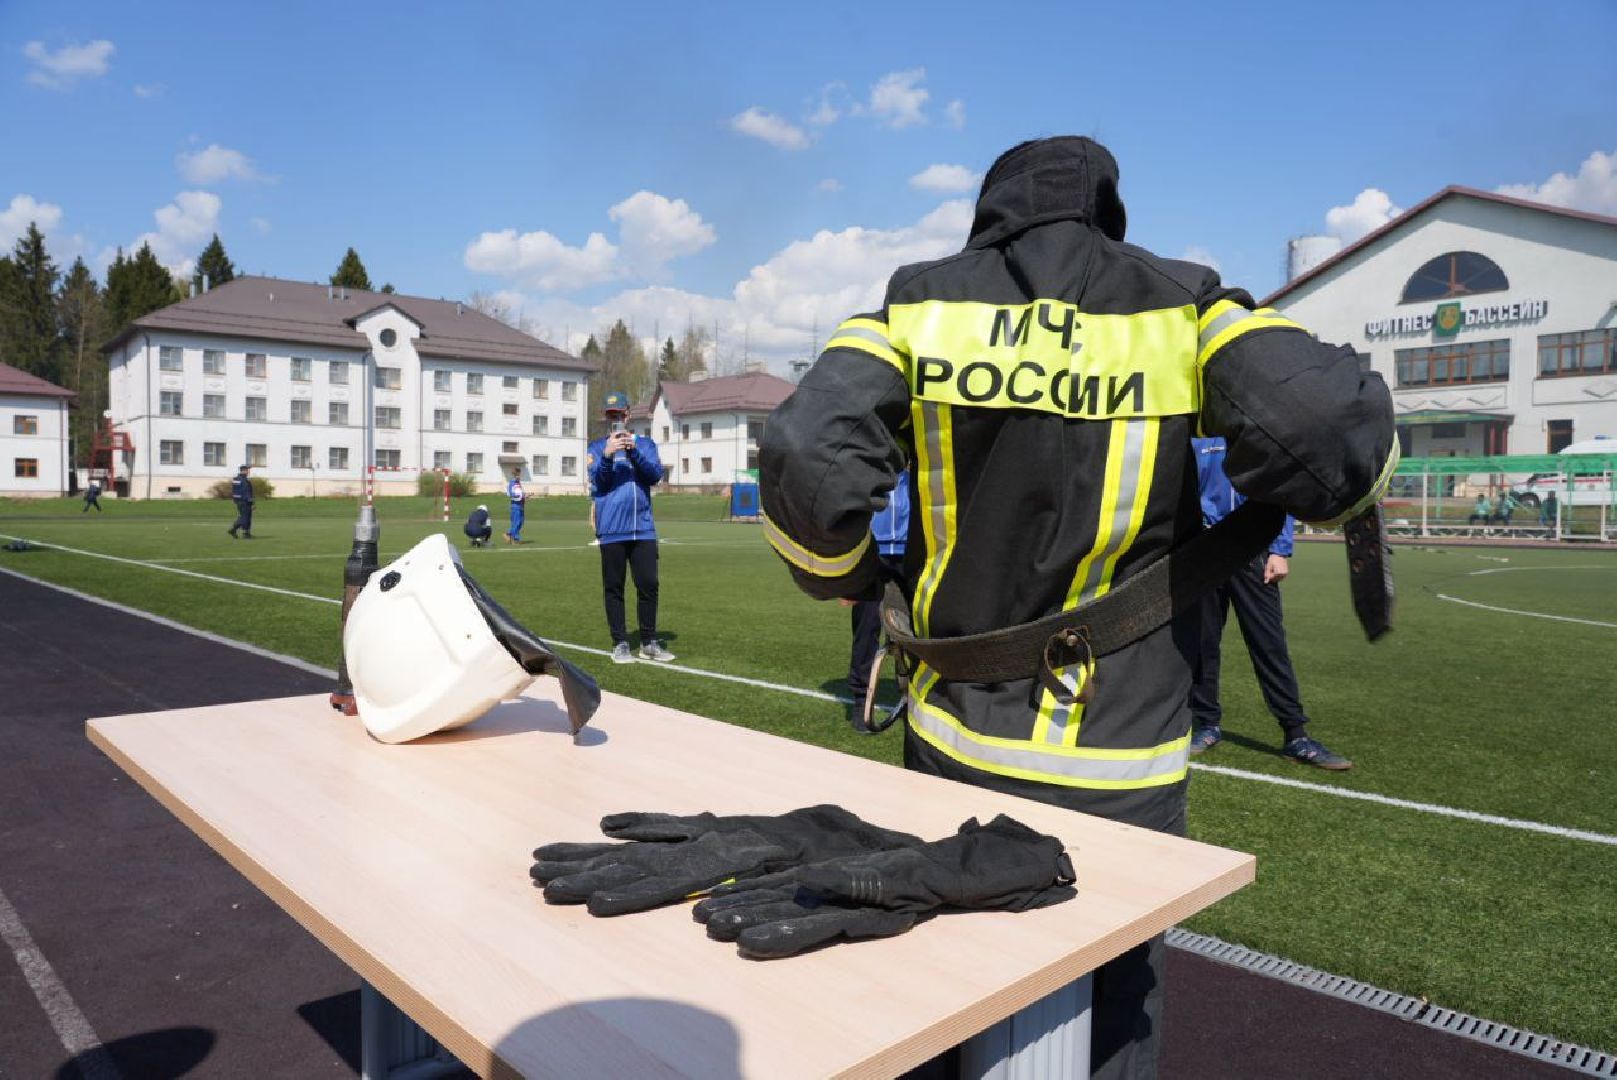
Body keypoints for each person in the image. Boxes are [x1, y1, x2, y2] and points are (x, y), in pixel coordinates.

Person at [759, 136, 1396, 1079]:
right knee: (1110, 1008)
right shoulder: (1185, 303)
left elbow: (806, 454)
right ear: (1105, 207)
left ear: (989, 210)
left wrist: (848, 574)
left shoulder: (918, 303)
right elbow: (1330, 432)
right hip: (1122, 750)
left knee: (935, 989)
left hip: (952, 735)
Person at [1188, 437, 1352, 769]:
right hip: (1206, 550)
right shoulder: (1197, 435)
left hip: (1254, 548)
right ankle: (1206, 725)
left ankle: (1295, 735)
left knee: (1269, 644)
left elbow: (1282, 491)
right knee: (1203, 644)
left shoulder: (1259, 430)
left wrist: (1279, 549)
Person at [588, 390, 674, 663]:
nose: (616, 420)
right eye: (611, 416)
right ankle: (620, 643)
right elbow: (599, 483)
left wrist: (633, 450)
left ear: (628, 415)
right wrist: (607, 455)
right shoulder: (596, 448)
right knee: (614, 587)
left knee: (649, 584)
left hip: (643, 528)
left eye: (620, 414)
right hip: (612, 529)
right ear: (606, 418)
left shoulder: (645, 444)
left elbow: (654, 476)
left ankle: (649, 642)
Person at [845, 469, 910, 726]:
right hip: (872, 549)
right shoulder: (869, 460)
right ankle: (862, 698)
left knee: (908, 628)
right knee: (867, 625)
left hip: (910, 549)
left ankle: (910, 694)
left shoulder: (918, 454)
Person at [228, 465, 254, 539]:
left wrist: (234, 500)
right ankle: (233, 529)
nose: (248, 471)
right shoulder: (243, 480)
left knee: (247, 517)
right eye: (247, 470)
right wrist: (251, 503)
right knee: (244, 518)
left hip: (241, 501)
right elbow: (247, 493)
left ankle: (246, 533)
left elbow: (234, 491)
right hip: (244, 502)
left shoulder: (238, 479)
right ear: (243, 471)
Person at [505, 468, 527, 544]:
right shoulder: (512, 483)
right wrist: (518, 496)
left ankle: (508, 534)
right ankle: (515, 538)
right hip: (515, 505)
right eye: (517, 474)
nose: (519, 476)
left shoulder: (519, 483)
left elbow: (521, 493)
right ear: (514, 475)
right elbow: (509, 494)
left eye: (519, 474)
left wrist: (525, 496)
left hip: (521, 505)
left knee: (520, 522)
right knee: (516, 522)